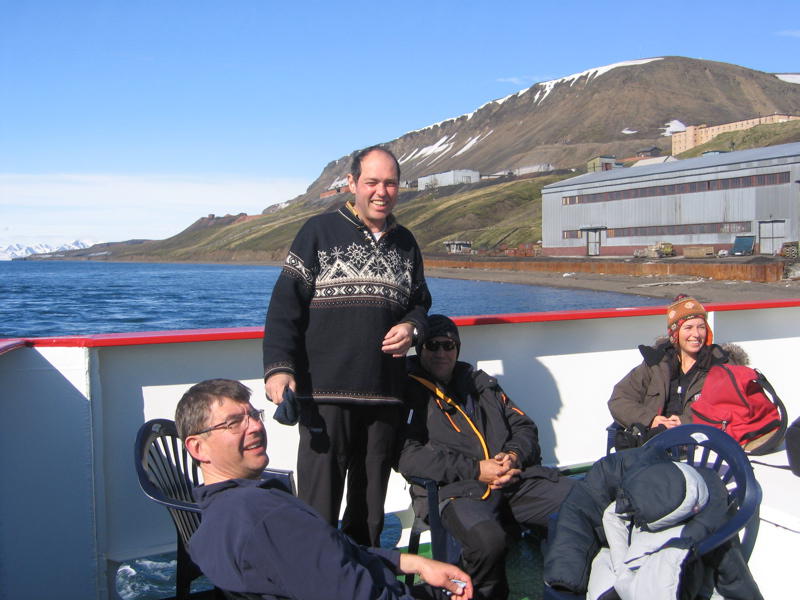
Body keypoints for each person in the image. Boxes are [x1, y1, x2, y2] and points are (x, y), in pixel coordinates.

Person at [262, 145, 431, 546]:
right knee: (319, 507)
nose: (381, 191)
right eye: (371, 182)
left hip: (385, 394)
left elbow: (421, 302)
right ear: (352, 183)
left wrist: (412, 326)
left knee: (369, 510)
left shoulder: (407, 243)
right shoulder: (318, 231)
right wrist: (279, 367)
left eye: (390, 183)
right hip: (325, 393)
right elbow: (285, 306)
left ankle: (366, 580)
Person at [176, 378, 473, 600]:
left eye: (254, 415)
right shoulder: (266, 515)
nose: (254, 427)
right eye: (233, 423)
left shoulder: (216, 518)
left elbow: (332, 552)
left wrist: (413, 563)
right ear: (198, 447)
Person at [398, 315, 574, 600]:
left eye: (449, 345)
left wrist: (513, 456)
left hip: (512, 480)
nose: (442, 352)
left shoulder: (481, 384)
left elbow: (524, 426)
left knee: (581, 501)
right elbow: (407, 457)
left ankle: (563, 587)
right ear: (420, 349)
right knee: (487, 541)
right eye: (433, 345)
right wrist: (477, 469)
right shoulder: (409, 391)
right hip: (456, 491)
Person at [608, 294, 745, 447]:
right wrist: (650, 419)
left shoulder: (719, 366)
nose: (696, 334)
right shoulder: (656, 363)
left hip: (698, 447)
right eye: (688, 327)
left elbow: (728, 407)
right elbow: (619, 399)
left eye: (701, 327)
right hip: (653, 444)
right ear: (675, 333)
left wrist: (684, 422)